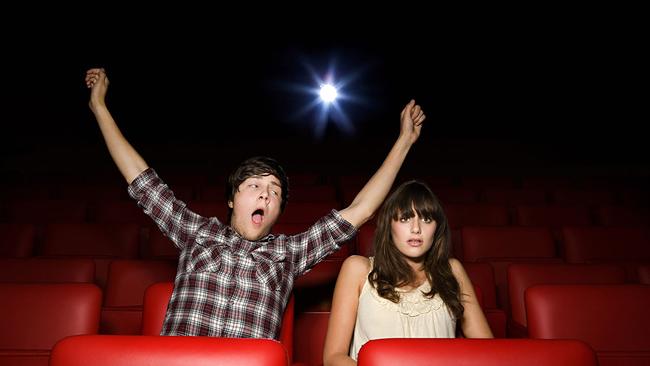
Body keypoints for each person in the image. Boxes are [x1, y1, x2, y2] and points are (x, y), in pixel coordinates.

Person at [84, 67, 426, 339]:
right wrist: (99, 107)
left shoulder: (288, 254)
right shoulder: (195, 232)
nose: (265, 194)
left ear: (278, 211)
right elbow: (141, 181)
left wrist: (404, 142)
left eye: (274, 191)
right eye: (254, 186)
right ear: (232, 199)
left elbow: (361, 210)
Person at [323, 180, 493, 365]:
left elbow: (487, 351)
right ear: (389, 225)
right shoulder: (357, 268)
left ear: (437, 228)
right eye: (405, 218)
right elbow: (334, 357)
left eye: (426, 219)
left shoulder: (452, 270)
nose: (416, 228)